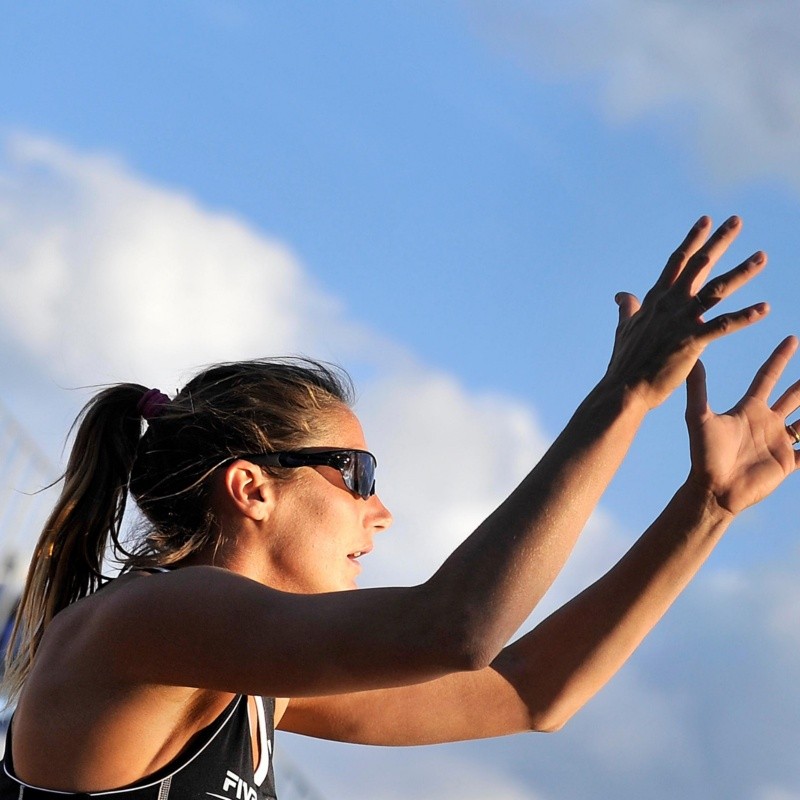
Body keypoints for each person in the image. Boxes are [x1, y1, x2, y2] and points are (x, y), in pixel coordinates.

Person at [1, 216, 797, 799]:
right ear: (251, 488)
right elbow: (456, 628)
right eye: (358, 474)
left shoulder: (240, 674)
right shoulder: (150, 623)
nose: (380, 514)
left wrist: (709, 508)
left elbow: (529, 692)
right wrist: (625, 397)